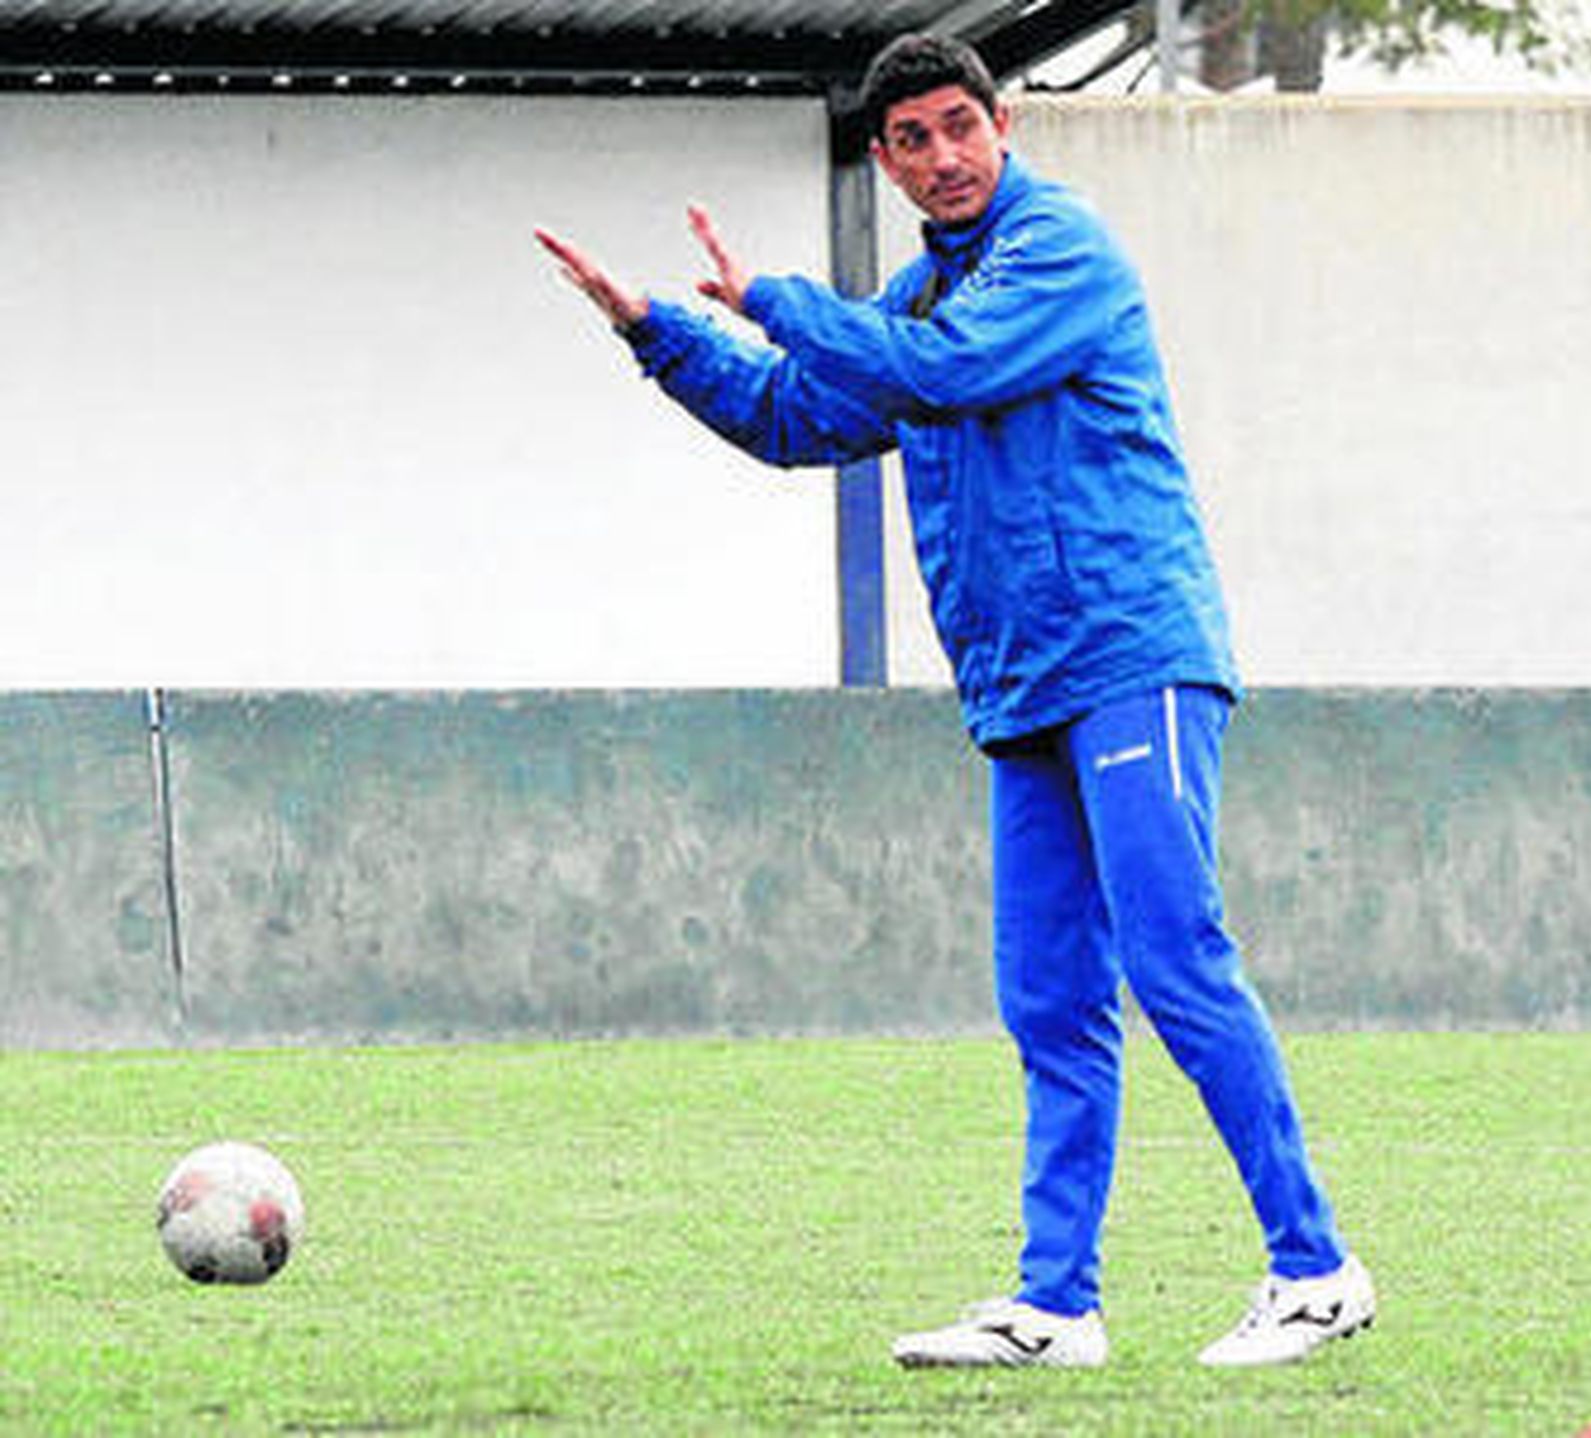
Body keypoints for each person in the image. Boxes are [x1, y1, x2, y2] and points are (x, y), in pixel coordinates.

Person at [535, 32, 1375, 1370]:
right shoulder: (917, 299)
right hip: (1021, 686)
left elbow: (950, 371)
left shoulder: (1061, 254)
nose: (941, 159)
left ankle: (1315, 1267)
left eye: (957, 128)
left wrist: (778, 294)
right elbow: (794, 415)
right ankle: (1057, 1304)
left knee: (1172, 955)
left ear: (1003, 124)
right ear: (884, 159)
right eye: (911, 141)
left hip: (1133, 655)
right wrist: (657, 329)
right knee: (1049, 999)